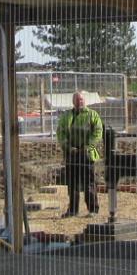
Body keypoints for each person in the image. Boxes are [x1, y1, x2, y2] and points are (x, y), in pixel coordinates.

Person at [55, 90, 104, 218]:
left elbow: (98, 132)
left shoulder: (92, 115)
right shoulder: (66, 116)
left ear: (85, 101)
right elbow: (60, 132)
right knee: (72, 184)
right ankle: (73, 210)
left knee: (89, 183)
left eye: (81, 99)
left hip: (86, 154)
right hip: (71, 154)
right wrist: (67, 146)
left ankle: (93, 210)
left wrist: (88, 146)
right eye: (77, 100)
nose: (79, 101)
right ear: (73, 101)